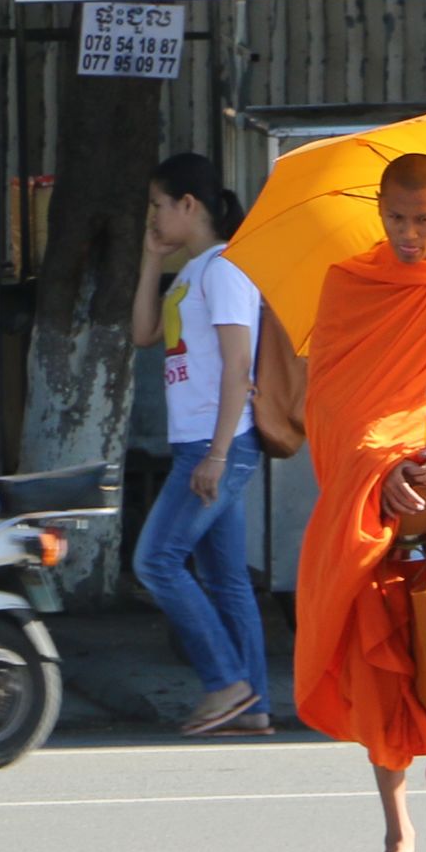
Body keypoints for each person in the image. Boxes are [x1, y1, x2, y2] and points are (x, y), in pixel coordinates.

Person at [257, 152, 426, 852]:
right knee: (379, 662)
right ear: (379, 211)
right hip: (372, 506)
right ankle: (398, 830)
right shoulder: (349, 284)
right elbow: (331, 404)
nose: (410, 234)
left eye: (425, 220)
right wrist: (378, 469)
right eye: (397, 219)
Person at [130, 153, 271, 738]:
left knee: (156, 560)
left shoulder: (226, 271)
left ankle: (225, 683)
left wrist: (215, 456)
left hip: (221, 445)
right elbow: (143, 335)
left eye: (159, 206)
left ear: (190, 205)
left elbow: (240, 367)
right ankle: (253, 704)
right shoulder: (193, 273)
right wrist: (150, 259)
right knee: (226, 579)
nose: (154, 219)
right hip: (204, 442)